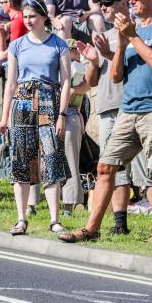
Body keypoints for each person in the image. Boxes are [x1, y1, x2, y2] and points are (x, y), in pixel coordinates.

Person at [60, 0, 152, 244]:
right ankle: (91, 228)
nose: (133, 1)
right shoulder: (128, 33)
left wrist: (133, 36)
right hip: (129, 108)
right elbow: (115, 76)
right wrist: (113, 50)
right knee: (105, 166)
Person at [0, 0, 71, 236]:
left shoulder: (59, 44)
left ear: (43, 18)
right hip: (23, 100)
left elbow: (67, 81)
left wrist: (62, 114)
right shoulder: (17, 45)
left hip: (49, 98)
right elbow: (11, 82)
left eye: (33, 16)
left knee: (51, 157)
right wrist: (4, 116)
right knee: (21, 159)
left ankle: (54, 219)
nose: (28, 21)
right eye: (26, 17)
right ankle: (21, 218)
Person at [82, 0, 139, 235]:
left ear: (124, 3)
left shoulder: (133, 31)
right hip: (105, 106)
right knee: (111, 166)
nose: (103, 7)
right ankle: (119, 224)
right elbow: (92, 81)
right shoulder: (102, 34)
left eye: (108, 2)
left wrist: (108, 53)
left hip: (128, 105)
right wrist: (94, 61)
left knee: (144, 168)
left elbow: (131, 69)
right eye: (101, 3)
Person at [61, 38, 91, 215]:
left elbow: (88, 85)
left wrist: (73, 91)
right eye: (74, 51)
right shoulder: (65, 66)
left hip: (71, 113)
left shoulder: (76, 67)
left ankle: (69, 205)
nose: (76, 54)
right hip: (67, 113)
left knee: (71, 161)